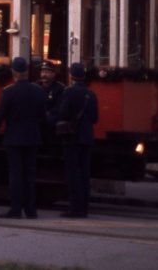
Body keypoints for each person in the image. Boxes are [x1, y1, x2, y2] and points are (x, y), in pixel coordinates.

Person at [0, 57, 47, 219]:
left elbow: (0, 114)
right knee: (30, 174)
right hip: (32, 138)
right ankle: (31, 210)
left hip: (14, 138)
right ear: (28, 72)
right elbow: (43, 115)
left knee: (16, 175)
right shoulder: (38, 91)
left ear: (13, 72)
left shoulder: (9, 91)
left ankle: (15, 209)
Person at [58, 62, 99, 218]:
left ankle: (75, 208)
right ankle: (85, 207)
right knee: (84, 172)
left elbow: (62, 113)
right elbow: (95, 118)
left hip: (71, 137)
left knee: (73, 173)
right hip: (87, 138)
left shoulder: (68, 92)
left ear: (71, 76)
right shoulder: (91, 94)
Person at [37, 60, 66, 153]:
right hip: (40, 113)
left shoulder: (59, 87)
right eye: (42, 72)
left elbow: (60, 105)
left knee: (51, 120)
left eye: (47, 72)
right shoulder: (37, 86)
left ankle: (52, 147)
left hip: (52, 114)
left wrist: (49, 112)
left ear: (53, 74)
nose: (44, 74)